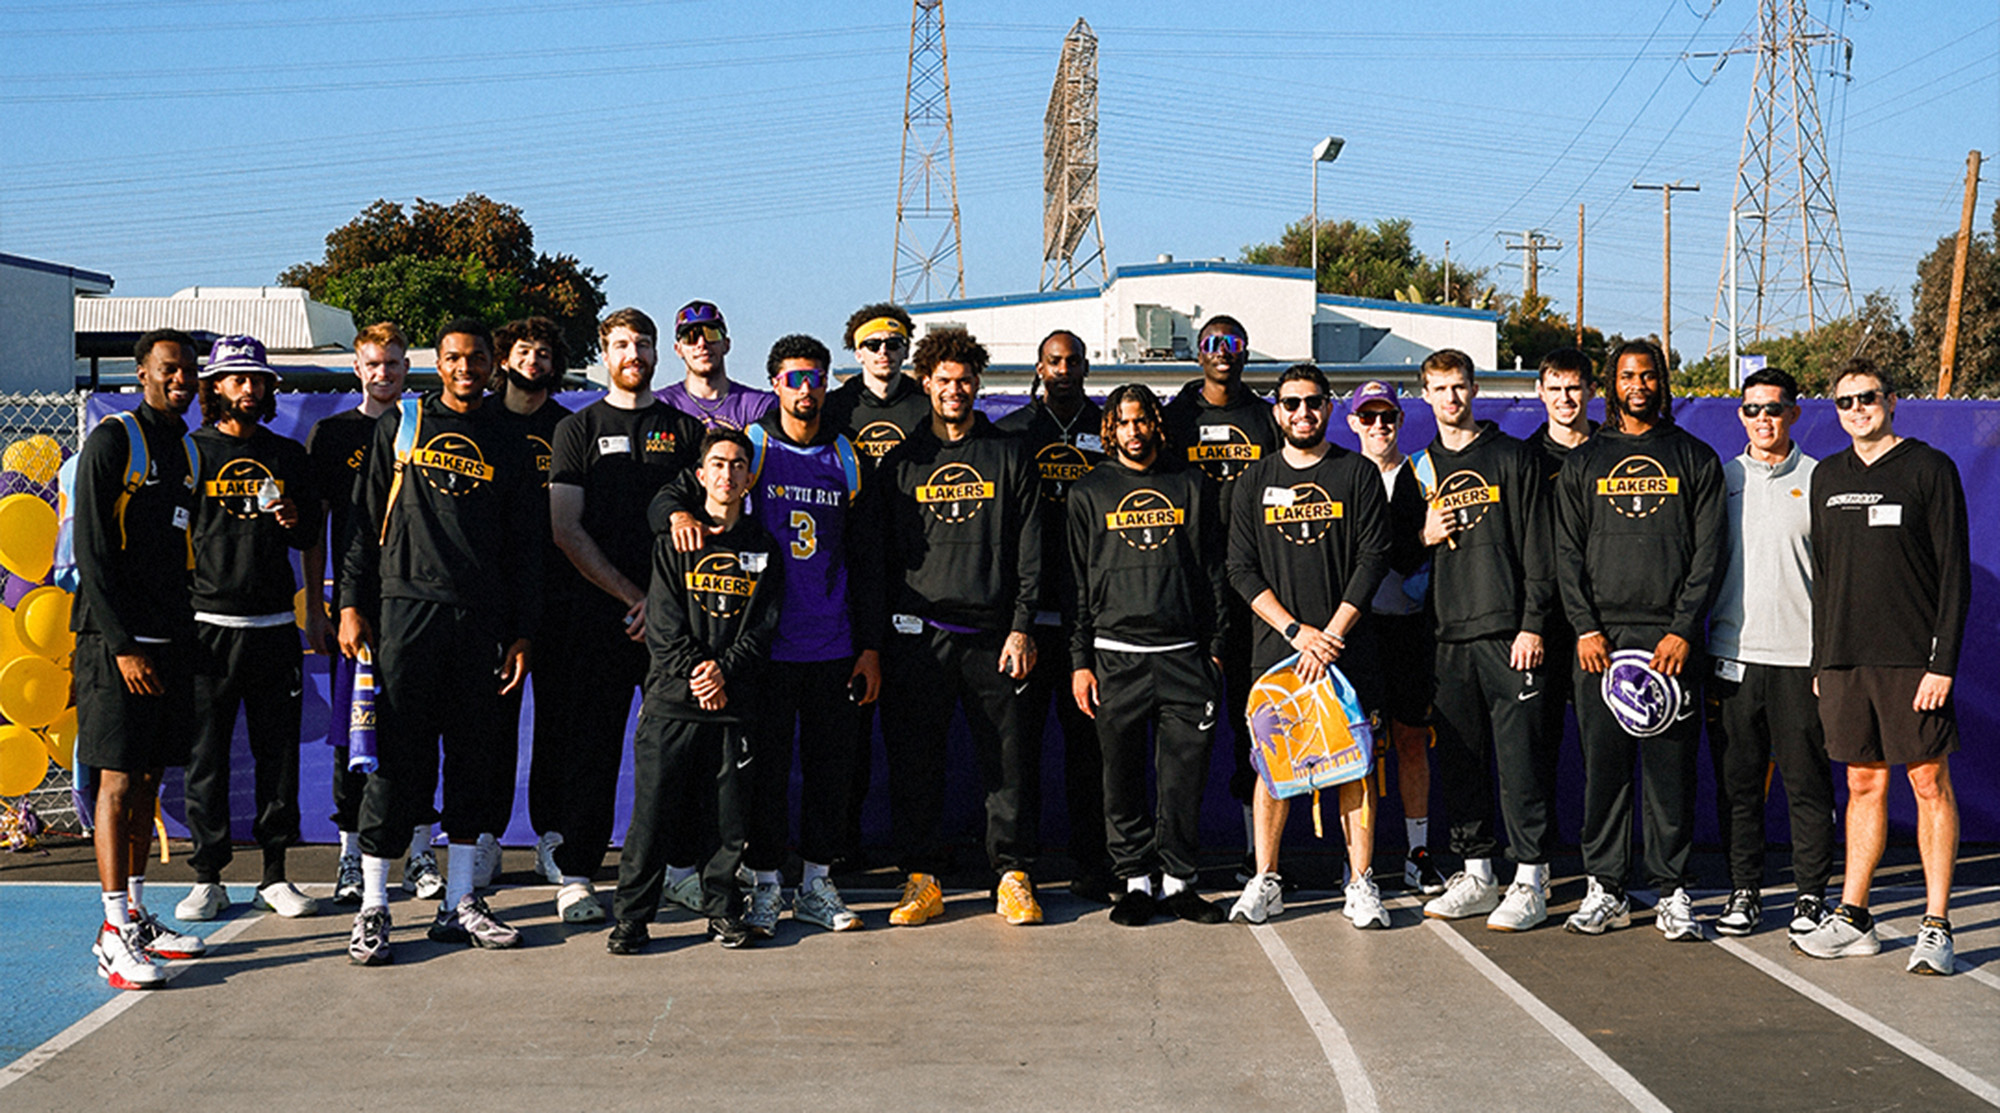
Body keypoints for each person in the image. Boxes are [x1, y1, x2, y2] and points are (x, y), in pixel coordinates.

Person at [657, 334, 879, 935]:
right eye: (793, 378)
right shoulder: (751, 446)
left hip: (832, 642)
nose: (805, 389)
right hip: (763, 647)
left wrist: (869, 645)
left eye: (815, 378)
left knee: (831, 773)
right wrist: (678, 513)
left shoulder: (847, 455)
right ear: (773, 384)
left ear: (827, 383)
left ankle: (815, 885)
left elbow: (867, 556)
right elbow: (680, 491)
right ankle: (764, 884)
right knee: (764, 775)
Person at [338, 318, 543, 964]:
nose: (465, 368)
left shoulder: (510, 441)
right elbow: (363, 525)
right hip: (406, 614)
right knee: (396, 763)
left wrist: (522, 633)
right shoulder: (401, 424)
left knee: (474, 762)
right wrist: (350, 605)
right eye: (454, 357)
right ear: (439, 362)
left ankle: (459, 903)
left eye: (477, 358)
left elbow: (527, 551)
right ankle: (373, 907)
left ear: (493, 365)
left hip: (480, 622)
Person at [1793, 360, 1969, 975]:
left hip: (1912, 664)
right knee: (1863, 784)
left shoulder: (1929, 469)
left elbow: (1954, 576)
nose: (1857, 409)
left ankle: (1937, 925)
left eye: (1868, 398)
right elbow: (1825, 579)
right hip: (1844, 663)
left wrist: (1941, 663)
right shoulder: (1827, 478)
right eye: (1845, 402)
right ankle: (1854, 917)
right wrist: (1823, 660)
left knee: (1928, 784)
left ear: (1892, 401)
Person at [868, 328, 1044, 927]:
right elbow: (882, 558)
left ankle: (1012, 875)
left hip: (995, 636)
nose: (954, 389)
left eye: (964, 379)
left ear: (978, 384)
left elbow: (1030, 548)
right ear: (926, 383)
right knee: (917, 762)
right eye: (942, 380)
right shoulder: (901, 461)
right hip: (918, 636)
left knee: (1007, 763)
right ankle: (921, 878)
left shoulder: (1009, 452)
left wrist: (1022, 626)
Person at [1554, 339, 1724, 941]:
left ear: (1661, 382)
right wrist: (1584, 627)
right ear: (1611, 383)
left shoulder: (1695, 458)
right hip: (1601, 642)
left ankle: (1673, 890)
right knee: (1605, 771)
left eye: (1647, 376)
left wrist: (1683, 629)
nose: (1638, 386)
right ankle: (1606, 888)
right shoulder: (1582, 463)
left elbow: (1709, 556)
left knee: (1671, 773)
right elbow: (1566, 553)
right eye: (1627, 376)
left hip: (1669, 644)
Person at [543, 309, 704, 923]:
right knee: (591, 749)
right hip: (598, 619)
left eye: (642, 343)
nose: (632, 352)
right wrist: (631, 597)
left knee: (677, 750)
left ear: (658, 353)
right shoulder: (577, 429)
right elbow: (565, 528)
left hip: (672, 626)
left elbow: (702, 522)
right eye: (620, 344)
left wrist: (662, 606)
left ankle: (682, 871)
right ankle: (579, 875)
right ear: (604, 355)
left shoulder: (685, 430)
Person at [1225, 363, 1393, 929]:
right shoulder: (1254, 480)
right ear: (1277, 410)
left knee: (1354, 765)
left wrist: (1332, 636)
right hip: (1278, 652)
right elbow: (1240, 569)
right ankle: (1266, 878)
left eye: (1314, 402)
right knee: (1271, 767)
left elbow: (1373, 560)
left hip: (1348, 650)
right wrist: (1297, 633)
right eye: (1292, 403)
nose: (1303, 413)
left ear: (1329, 408)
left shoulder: (1358, 475)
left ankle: (1361, 882)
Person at [607, 429, 784, 954]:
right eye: (718, 464)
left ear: (749, 478)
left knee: (728, 823)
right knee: (653, 818)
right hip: (671, 703)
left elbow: (763, 628)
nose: (727, 474)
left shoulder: (763, 547)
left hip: (733, 705)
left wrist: (723, 672)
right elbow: (661, 625)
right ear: (701, 475)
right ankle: (633, 919)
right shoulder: (672, 543)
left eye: (737, 466)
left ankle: (722, 913)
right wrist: (697, 673)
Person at [72, 328, 208, 989]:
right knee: (117, 785)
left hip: (166, 642)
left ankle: (136, 913)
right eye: (169, 369)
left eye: (188, 371)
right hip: (112, 645)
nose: (181, 379)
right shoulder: (112, 440)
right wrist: (122, 645)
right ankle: (111, 931)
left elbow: (183, 556)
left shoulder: (186, 450)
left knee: (149, 784)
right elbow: (92, 556)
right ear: (143, 373)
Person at [1406, 351, 1560, 932]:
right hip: (1447, 638)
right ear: (1425, 395)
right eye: (1440, 388)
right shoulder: (1419, 469)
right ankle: (1477, 872)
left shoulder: (1512, 457)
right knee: (1463, 763)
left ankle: (1530, 878)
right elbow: (1393, 555)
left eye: (1460, 386)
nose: (1451, 398)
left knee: (1521, 764)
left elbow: (1539, 551)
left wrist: (1532, 624)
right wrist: (1422, 534)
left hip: (1509, 637)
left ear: (1476, 390)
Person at [1068, 383, 1229, 926]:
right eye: (1123, 422)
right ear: (1108, 429)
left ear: (1156, 425)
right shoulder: (1088, 492)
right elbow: (1078, 583)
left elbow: (1214, 574)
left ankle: (1180, 881)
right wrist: (1080, 660)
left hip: (1185, 654)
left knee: (1182, 778)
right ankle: (1135, 880)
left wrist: (1216, 651)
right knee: (1122, 777)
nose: (1133, 432)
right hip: (1116, 656)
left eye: (1142, 421)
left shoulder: (1191, 485)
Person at [175, 335, 318, 924]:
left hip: (275, 626)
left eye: (257, 380)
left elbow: (309, 535)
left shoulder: (288, 456)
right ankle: (208, 877)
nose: (249, 389)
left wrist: (292, 519)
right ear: (213, 388)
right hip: (208, 626)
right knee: (205, 756)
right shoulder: (188, 453)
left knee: (276, 757)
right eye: (237, 380)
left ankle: (276, 875)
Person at [305, 323, 436, 906]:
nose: (384, 374)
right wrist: (323, 604)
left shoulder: (424, 426)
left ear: (409, 368)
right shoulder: (333, 435)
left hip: (417, 607)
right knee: (352, 738)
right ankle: (351, 858)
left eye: (394, 364)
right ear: (357, 369)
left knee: (419, 729)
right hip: (358, 611)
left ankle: (423, 854)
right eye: (373, 364)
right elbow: (318, 532)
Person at [1703, 367, 1835, 939]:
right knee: (1739, 786)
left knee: (1807, 786)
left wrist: (1827, 659)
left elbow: (1836, 579)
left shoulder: (1821, 479)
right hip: (1731, 658)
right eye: (1753, 409)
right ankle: (1744, 891)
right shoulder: (1722, 479)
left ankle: (1810, 897)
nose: (1764, 419)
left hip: (1801, 662)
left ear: (1794, 414)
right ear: (1741, 415)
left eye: (1774, 409)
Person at [995, 329, 1113, 902]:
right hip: (1025, 615)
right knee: (1018, 753)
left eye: (1072, 360)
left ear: (1086, 366)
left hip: (1088, 616)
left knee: (1088, 754)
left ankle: (1093, 864)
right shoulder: (1014, 431)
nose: (1063, 369)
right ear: (1039, 367)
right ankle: (1020, 867)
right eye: (1053, 361)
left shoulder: (1109, 427)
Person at [1162, 315, 1278, 878]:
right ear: (1197, 355)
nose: (1222, 352)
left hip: (1255, 593)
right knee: (1184, 730)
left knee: (1253, 726)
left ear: (1246, 351)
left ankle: (1259, 855)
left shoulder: (1264, 418)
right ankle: (1172, 858)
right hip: (1191, 593)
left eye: (1232, 343)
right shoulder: (1174, 417)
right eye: (1211, 344)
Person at [472, 316, 574, 895]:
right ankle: (484, 837)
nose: (533, 361)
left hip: (559, 597)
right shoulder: (482, 423)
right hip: (493, 600)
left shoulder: (569, 426)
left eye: (543, 353)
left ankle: (551, 839)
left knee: (558, 726)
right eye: (522, 351)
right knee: (491, 726)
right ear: (504, 359)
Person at [1345, 380, 1442, 895]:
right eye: (1369, 417)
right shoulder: (1339, 476)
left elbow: (1423, 551)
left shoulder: (1425, 474)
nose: (1379, 426)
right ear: (1353, 421)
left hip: (1412, 629)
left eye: (1388, 417)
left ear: (1401, 422)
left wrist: (1422, 541)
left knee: (1409, 741)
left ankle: (1417, 854)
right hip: (1356, 632)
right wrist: (1417, 536)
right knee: (1357, 748)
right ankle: (1355, 864)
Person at [1526, 348, 1597, 828]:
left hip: (1602, 623)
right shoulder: (1523, 459)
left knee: (1603, 750)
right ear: (1539, 393)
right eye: (1555, 388)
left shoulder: (1614, 451)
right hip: (1546, 624)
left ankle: (1605, 872)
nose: (1565, 398)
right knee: (1536, 748)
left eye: (1574, 388)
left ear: (1592, 391)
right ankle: (1536, 867)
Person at [825, 303, 929, 470]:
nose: (883, 351)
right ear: (858, 354)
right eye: (873, 345)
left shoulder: (928, 405)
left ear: (906, 350)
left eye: (893, 343)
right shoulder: (834, 407)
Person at [658, 300, 776, 431]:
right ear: (678, 349)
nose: (701, 344)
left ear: (726, 344)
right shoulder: (662, 404)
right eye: (690, 337)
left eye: (711, 334)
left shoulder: (759, 405)